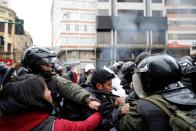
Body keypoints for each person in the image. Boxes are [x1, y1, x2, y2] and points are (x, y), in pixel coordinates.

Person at [117, 54, 196, 131]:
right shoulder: (192, 95)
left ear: (148, 79)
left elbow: (123, 126)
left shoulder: (139, 108)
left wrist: (121, 106)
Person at [0, 74, 102, 131]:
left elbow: (70, 88)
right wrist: (99, 112)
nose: (50, 92)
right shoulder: (56, 126)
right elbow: (84, 126)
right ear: (34, 97)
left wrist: (88, 100)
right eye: (46, 89)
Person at [21, 46, 100, 118]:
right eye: (45, 64)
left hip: (53, 119)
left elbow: (71, 88)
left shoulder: (54, 78)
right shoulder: (21, 84)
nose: (50, 66)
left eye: (49, 63)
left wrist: (88, 100)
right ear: (35, 66)